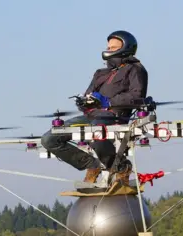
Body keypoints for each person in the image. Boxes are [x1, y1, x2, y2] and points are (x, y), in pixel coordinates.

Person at [40, 30, 148, 184]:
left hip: (115, 116)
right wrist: (85, 103)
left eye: (112, 48)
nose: (107, 50)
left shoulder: (135, 70)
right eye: (108, 47)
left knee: (96, 132)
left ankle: (121, 167)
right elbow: (89, 94)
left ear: (125, 48)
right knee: (49, 139)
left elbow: (136, 96)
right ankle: (91, 165)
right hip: (91, 116)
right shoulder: (101, 73)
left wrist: (108, 102)